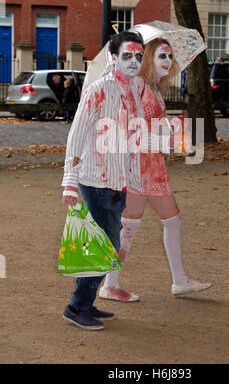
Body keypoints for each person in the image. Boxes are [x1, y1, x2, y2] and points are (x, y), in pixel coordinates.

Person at [99, 38, 213, 302]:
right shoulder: (137, 84)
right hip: (138, 163)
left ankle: (177, 280)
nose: (168, 61)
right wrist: (166, 128)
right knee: (132, 225)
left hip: (152, 163)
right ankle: (111, 284)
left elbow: (149, 124)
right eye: (163, 55)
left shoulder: (151, 87)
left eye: (170, 56)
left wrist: (172, 127)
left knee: (156, 222)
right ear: (150, 58)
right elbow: (127, 124)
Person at [61, 30, 145, 330]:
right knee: (104, 245)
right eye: (127, 55)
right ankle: (76, 307)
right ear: (113, 58)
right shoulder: (98, 89)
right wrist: (70, 181)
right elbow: (77, 134)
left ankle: (86, 303)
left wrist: (134, 176)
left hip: (118, 181)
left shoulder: (135, 90)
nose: (134, 61)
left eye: (138, 56)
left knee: (109, 241)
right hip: (95, 178)